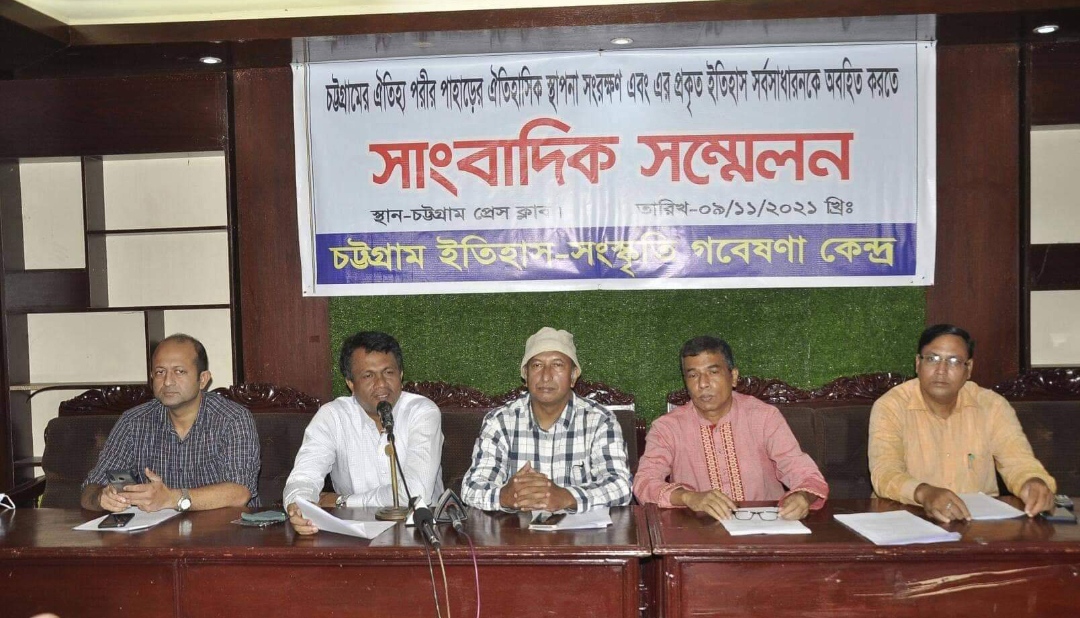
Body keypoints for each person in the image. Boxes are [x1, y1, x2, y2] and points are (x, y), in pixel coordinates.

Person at [869, 324, 1056, 522]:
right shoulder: (891, 406)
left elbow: (1018, 461)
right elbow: (885, 473)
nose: (941, 370)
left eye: (954, 361)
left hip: (977, 524)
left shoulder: (991, 405)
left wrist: (1032, 482)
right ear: (917, 363)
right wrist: (924, 493)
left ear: (969, 369)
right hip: (908, 519)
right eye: (932, 359)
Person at [634, 336, 828, 520]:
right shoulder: (667, 428)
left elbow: (806, 474)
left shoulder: (764, 417)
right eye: (693, 375)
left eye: (713, 372)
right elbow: (644, 482)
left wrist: (802, 497)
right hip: (699, 531)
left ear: (733, 376)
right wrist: (688, 497)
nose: (703, 384)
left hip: (764, 531)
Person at [285, 331, 443, 535]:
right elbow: (303, 478)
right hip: (353, 534)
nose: (381, 384)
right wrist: (300, 507)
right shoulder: (332, 416)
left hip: (421, 532)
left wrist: (343, 501)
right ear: (350, 383)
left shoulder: (422, 412)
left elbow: (415, 493)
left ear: (401, 374)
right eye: (368, 375)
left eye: (389, 372)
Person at [81, 334, 260, 512]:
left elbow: (240, 493)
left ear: (203, 379)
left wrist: (171, 498)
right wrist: (102, 497)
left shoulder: (232, 419)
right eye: (160, 372)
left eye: (179, 371)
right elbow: (90, 488)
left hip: (222, 527)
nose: (167, 381)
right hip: (155, 529)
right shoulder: (133, 422)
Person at [462, 327, 631, 513]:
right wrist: (505, 496)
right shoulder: (500, 422)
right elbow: (472, 488)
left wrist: (566, 497)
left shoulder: (599, 421)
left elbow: (620, 486)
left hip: (582, 531)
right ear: (525, 376)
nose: (546, 376)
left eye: (557, 365)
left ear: (573, 376)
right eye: (537, 365)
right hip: (517, 530)